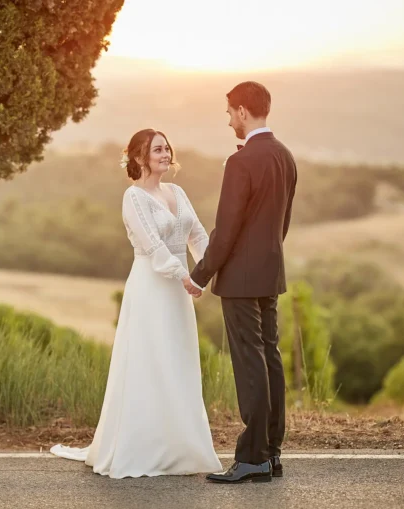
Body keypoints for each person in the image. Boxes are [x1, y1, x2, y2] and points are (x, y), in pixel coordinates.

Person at [50, 128, 222, 478]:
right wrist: (184, 276)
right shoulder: (134, 197)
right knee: (149, 360)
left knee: (178, 361)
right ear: (140, 157)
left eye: (166, 147)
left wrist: (207, 270)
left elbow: (198, 234)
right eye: (156, 149)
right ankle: (142, 446)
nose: (164, 153)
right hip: (152, 286)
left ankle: (181, 446)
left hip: (179, 290)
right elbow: (152, 245)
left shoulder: (177, 191)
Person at [184, 81, 297, 483]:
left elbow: (227, 230)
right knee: (270, 359)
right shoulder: (285, 156)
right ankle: (271, 454)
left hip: (240, 280)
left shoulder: (242, 162)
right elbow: (281, 224)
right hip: (269, 273)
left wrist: (199, 275)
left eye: (230, 112)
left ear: (244, 112)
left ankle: (252, 458)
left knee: (251, 365)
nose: (229, 119)